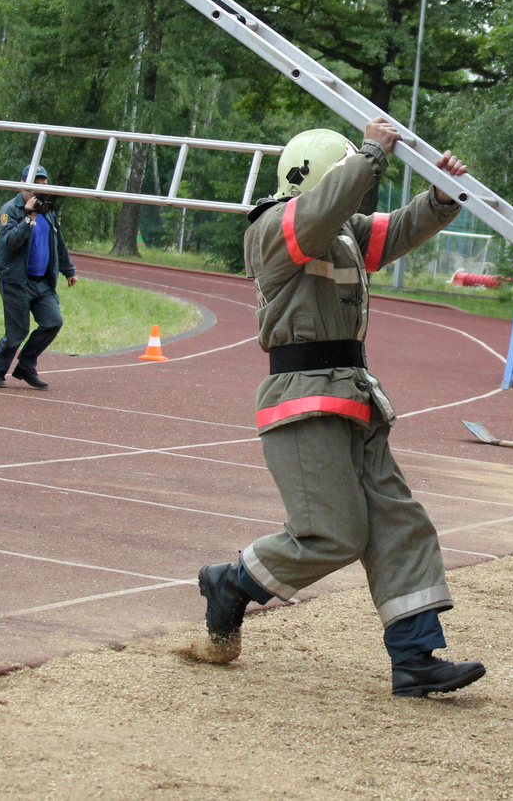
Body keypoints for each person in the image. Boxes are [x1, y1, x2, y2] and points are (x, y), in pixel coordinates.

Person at [196, 119, 486, 698]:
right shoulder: (273, 227)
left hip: (353, 392)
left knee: (398, 523)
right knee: (332, 533)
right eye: (352, 173)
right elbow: (318, 214)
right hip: (303, 398)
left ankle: (415, 658)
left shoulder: (341, 230)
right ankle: (230, 582)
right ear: (328, 179)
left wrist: (439, 199)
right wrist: (373, 155)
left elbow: (394, 231)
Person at [0, 165, 77, 390]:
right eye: (36, 183)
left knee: (53, 322)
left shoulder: (48, 211)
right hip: (15, 280)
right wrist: (29, 217)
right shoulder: (10, 210)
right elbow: (11, 241)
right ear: (23, 184)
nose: (40, 187)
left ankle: (25, 365)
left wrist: (68, 270)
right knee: (17, 332)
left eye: (44, 183)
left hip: (42, 282)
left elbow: (57, 242)